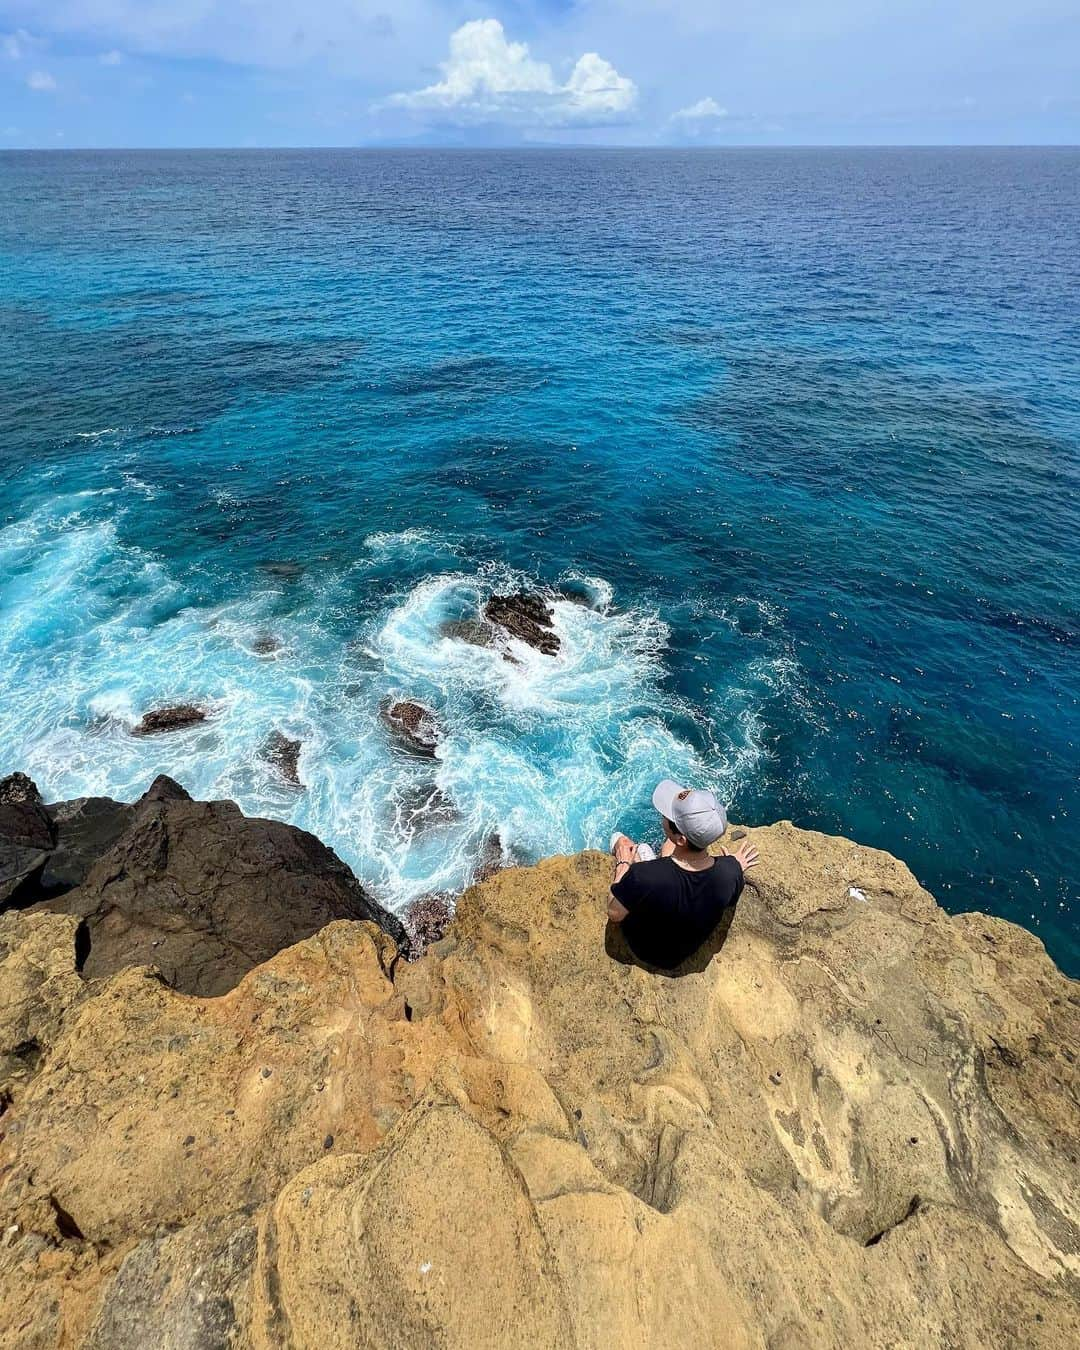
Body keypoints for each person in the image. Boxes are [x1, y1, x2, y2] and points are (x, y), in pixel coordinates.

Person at [607, 779, 758, 969]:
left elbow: (614, 913)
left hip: (646, 950)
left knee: (621, 840)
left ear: (681, 839)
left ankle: (632, 850)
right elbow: (727, 891)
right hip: (682, 953)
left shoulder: (643, 876)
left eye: (667, 816)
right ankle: (666, 854)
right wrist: (733, 866)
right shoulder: (729, 873)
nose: (663, 815)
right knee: (667, 849)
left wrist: (623, 863)